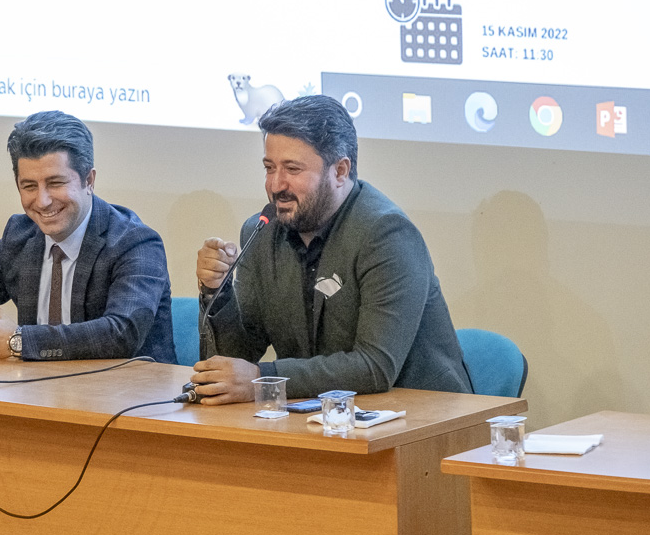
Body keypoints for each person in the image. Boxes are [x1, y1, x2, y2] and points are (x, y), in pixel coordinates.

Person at [192, 95, 471, 404]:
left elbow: (374, 367)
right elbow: (237, 361)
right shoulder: (261, 232)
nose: (276, 185)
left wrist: (263, 379)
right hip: (325, 415)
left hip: (424, 415)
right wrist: (217, 292)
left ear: (340, 171)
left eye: (292, 169)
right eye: (269, 168)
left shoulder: (387, 234)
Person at [0, 110, 176, 363]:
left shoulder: (135, 242)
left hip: (128, 389)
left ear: (89, 180)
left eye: (55, 183)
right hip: (38, 387)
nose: (42, 201)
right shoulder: (20, 237)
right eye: (29, 186)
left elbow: (121, 334)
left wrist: (16, 340)